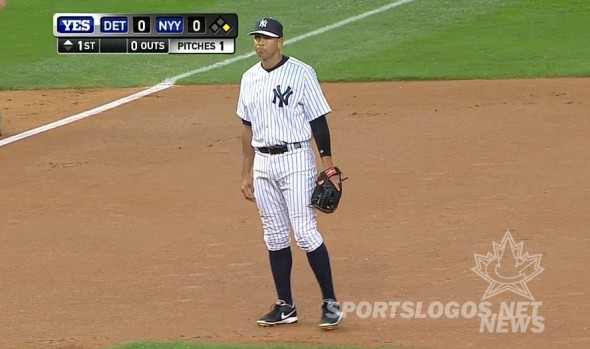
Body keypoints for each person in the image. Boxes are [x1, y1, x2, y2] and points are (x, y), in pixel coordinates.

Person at [236, 17, 344, 330]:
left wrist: (328, 164)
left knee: (306, 232)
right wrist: (246, 171)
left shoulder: (301, 72)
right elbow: (246, 126)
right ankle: (285, 305)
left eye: (266, 38)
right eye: (257, 38)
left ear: (280, 42)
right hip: (263, 162)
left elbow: (317, 120)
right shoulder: (249, 78)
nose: (260, 43)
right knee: (274, 234)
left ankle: (330, 303)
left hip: (296, 158)